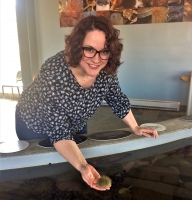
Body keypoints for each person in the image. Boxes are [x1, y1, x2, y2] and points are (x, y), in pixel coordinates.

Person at [15, 15, 158, 191]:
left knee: (76, 166)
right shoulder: (54, 73)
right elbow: (59, 132)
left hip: (76, 120)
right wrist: (83, 166)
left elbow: (116, 98)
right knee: (43, 174)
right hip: (33, 123)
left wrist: (135, 127)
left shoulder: (105, 70)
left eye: (104, 51)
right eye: (89, 49)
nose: (96, 59)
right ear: (76, 47)